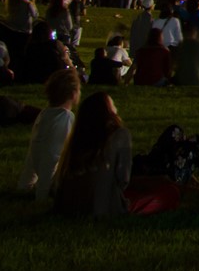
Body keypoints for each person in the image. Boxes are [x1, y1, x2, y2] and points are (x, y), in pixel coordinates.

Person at [52, 92, 179, 216]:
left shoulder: (77, 141)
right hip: (102, 207)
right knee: (169, 191)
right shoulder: (120, 135)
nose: (116, 108)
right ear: (106, 112)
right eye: (113, 105)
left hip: (70, 207)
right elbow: (123, 180)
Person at [18, 68, 81, 199]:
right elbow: (53, 155)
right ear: (73, 93)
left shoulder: (44, 114)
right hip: (56, 182)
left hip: (47, 177)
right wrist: (43, 192)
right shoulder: (65, 117)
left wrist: (25, 183)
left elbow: (34, 150)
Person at [172, 23, 199, 88]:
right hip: (198, 79)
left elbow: (174, 64)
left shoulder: (181, 45)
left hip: (181, 80)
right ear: (195, 33)